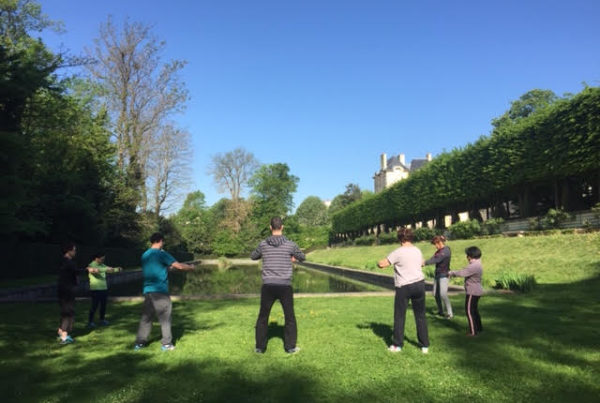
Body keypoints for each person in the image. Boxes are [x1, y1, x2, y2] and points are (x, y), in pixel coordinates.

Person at [251, 216, 306, 354]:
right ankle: (290, 347)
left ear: (270, 228)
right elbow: (302, 257)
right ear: (282, 227)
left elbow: (253, 256)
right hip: (285, 285)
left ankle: (260, 347)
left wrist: (265, 254)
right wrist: (292, 257)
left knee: (263, 317)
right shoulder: (290, 244)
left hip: (268, 285)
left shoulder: (263, 244)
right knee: (289, 317)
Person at [134, 232, 195, 351]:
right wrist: (191, 268)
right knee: (165, 318)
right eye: (163, 241)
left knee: (146, 318)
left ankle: (140, 343)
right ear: (161, 241)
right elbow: (180, 266)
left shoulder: (145, 254)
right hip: (160, 291)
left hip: (147, 290)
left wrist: (167, 268)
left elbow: (156, 268)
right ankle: (166, 344)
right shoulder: (161, 254)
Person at [377, 227, 429, 353]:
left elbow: (383, 264)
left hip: (404, 286)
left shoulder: (398, 252)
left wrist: (378, 263)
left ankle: (397, 345)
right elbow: (422, 263)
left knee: (399, 316)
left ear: (400, 238)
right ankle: (424, 345)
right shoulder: (417, 250)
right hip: (420, 285)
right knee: (420, 315)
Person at [57, 242, 93, 344]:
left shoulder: (64, 261)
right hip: (67, 290)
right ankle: (64, 335)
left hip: (63, 289)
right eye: (74, 250)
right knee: (69, 312)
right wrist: (88, 270)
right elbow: (76, 271)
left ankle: (61, 331)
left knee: (66, 310)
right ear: (69, 250)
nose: (75, 252)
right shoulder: (68, 262)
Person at [449, 246, 484, 336]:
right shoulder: (478, 263)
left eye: (467, 255)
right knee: (474, 310)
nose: (466, 257)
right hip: (477, 290)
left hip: (472, 292)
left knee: (469, 311)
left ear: (470, 256)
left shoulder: (474, 266)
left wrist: (450, 273)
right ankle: (479, 328)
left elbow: (462, 273)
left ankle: (473, 332)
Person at [87, 251, 122, 327]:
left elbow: (109, 270)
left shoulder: (102, 265)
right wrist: (106, 269)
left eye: (104, 259)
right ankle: (90, 322)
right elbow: (96, 271)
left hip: (104, 288)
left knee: (103, 305)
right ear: (97, 258)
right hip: (95, 289)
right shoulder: (91, 265)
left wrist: (117, 269)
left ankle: (102, 320)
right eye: (102, 259)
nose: (103, 261)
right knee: (94, 306)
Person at [423, 235, 453, 319]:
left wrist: (425, 263)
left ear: (440, 243)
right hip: (438, 274)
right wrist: (424, 262)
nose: (435, 246)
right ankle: (441, 311)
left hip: (444, 275)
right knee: (435, 294)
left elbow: (437, 259)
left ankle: (450, 313)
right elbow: (433, 258)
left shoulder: (446, 251)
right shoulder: (438, 251)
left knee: (443, 294)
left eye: (435, 244)